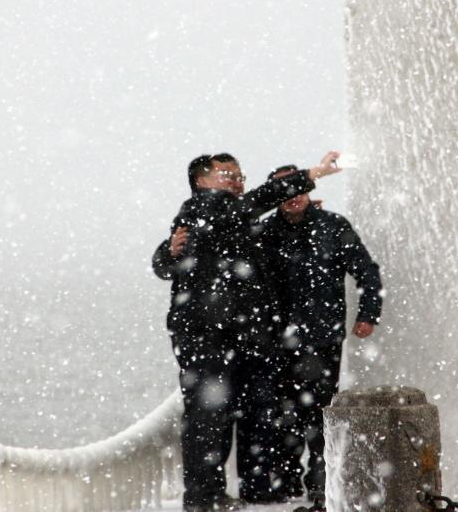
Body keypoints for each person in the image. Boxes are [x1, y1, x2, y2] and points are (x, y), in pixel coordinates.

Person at [152, 152, 342, 512]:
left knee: (248, 410)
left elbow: (170, 261)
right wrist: (312, 173)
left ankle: (255, 489)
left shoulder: (231, 218)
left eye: (240, 176)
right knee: (209, 415)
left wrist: (301, 219)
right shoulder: (205, 207)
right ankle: (204, 497)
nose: (237, 181)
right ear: (202, 182)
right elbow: (256, 201)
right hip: (208, 335)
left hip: (240, 335)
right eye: (227, 174)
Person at [260, 165, 383, 507]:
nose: (293, 197)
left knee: (322, 413)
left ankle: (321, 484)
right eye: (284, 191)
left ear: (308, 191)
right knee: (282, 414)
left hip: (322, 337)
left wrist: (368, 314)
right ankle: (284, 482)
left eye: (298, 189)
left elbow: (366, 271)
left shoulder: (333, 226)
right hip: (275, 340)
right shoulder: (264, 233)